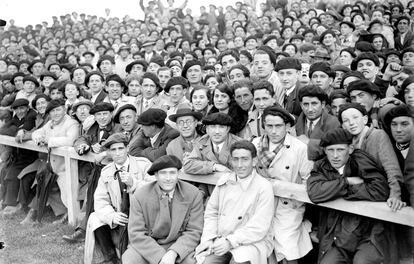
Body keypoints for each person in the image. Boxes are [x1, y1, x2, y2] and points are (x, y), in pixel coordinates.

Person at [307, 128, 398, 264]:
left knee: (362, 261)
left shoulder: (360, 160)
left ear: (350, 149)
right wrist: (346, 182)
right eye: (331, 150)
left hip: (368, 232)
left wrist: (335, 190)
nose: (335, 156)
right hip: (338, 234)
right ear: (325, 151)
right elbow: (315, 192)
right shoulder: (322, 165)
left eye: (340, 150)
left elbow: (380, 190)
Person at [195, 140, 275, 264]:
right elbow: (212, 212)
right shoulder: (224, 180)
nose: (239, 165)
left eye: (244, 159)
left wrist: (230, 241)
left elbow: (259, 227)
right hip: (221, 239)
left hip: (250, 242)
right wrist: (209, 238)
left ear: (254, 161)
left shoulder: (263, 187)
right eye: (235, 159)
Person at [252, 106, 313, 263]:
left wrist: (293, 197)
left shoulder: (299, 148)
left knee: (287, 248)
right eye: (269, 126)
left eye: (278, 126)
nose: (273, 131)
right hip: (260, 204)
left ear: (287, 126)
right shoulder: (255, 143)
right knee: (262, 248)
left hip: (288, 206)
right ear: (263, 126)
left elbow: (308, 180)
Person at [84, 133, 152, 264]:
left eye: (121, 148)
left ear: (127, 148)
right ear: (109, 152)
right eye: (113, 150)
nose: (118, 153)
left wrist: (135, 183)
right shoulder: (107, 171)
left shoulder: (143, 165)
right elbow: (100, 200)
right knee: (95, 217)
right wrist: (111, 216)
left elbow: (154, 191)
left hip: (142, 217)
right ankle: (110, 258)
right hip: (120, 217)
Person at [122, 155, 204, 264]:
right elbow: (136, 233)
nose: (168, 178)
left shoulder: (193, 194)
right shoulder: (140, 196)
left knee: (193, 261)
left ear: (178, 174)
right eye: (163, 173)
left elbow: (194, 231)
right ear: (156, 175)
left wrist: (173, 253)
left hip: (178, 244)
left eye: (172, 173)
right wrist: (160, 257)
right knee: (130, 258)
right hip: (149, 244)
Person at [338, 103, 404, 210]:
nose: (351, 123)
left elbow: (392, 168)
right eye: (346, 120)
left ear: (364, 119)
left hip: (381, 192)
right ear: (342, 126)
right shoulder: (348, 142)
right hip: (361, 194)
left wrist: (395, 195)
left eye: (355, 117)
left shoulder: (378, 135)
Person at [295, 85, 340, 160]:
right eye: (306, 104)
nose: (310, 109)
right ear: (301, 105)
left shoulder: (334, 123)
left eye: (314, 104)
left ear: (323, 104)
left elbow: (336, 149)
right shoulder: (295, 123)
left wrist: (309, 142)